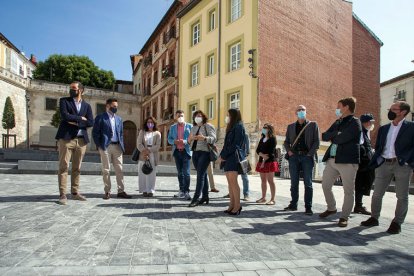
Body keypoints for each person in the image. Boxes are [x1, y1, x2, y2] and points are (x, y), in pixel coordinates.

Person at [361, 101, 414, 234]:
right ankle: (374, 218)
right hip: (384, 163)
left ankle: (397, 223)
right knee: (377, 193)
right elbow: (379, 147)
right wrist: (377, 161)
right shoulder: (384, 128)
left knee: (402, 196)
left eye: (393, 109)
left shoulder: (411, 127)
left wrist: (408, 161)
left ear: (403, 112)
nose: (390, 110)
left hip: (401, 165)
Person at [319, 97, 362, 227]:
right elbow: (325, 136)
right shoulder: (338, 121)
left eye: (339, 107)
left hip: (347, 161)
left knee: (348, 191)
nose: (337, 109)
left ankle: (344, 217)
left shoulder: (355, 122)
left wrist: (335, 135)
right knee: (325, 185)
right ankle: (331, 208)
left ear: (346, 107)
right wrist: (336, 133)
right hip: (332, 159)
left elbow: (342, 138)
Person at [55, 81, 94, 205]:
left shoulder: (87, 106)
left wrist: (75, 121)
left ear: (81, 90)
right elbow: (65, 116)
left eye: (74, 88)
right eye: (70, 88)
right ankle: (62, 194)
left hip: (81, 140)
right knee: (63, 167)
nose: (71, 90)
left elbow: (91, 122)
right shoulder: (64, 101)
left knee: (77, 168)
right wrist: (80, 119)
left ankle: (75, 192)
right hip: (67, 139)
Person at [283, 105, 320, 215]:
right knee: (294, 182)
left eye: (303, 110)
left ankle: (308, 207)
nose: (301, 111)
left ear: (306, 112)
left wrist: (310, 154)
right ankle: (293, 204)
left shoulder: (313, 125)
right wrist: (289, 151)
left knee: (308, 183)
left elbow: (316, 142)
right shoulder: (290, 127)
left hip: (306, 157)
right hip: (294, 157)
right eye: (299, 110)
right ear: (296, 113)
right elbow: (286, 142)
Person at [92, 98, 132, 200]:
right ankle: (107, 191)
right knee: (106, 170)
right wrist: (99, 145)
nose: (115, 108)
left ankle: (121, 191)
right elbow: (95, 133)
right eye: (113, 106)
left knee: (120, 169)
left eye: (116, 107)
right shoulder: (100, 117)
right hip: (105, 146)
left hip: (117, 146)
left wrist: (121, 144)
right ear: (107, 106)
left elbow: (121, 133)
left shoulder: (119, 119)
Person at [218, 108, 246, 215]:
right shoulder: (231, 127)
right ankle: (231, 204)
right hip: (228, 157)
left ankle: (237, 206)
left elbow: (236, 144)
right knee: (230, 183)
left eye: (228, 115)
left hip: (233, 157)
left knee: (234, 182)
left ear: (233, 116)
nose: (227, 117)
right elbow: (226, 144)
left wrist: (224, 155)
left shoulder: (239, 127)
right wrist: (222, 155)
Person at [188, 110, 216, 207]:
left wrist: (204, 138)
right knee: (203, 175)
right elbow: (189, 141)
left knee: (200, 175)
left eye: (199, 116)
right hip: (195, 152)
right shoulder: (193, 127)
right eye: (196, 116)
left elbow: (213, 138)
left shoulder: (208, 126)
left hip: (205, 153)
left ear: (203, 117)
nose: (197, 117)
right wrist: (190, 139)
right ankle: (205, 196)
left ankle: (196, 198)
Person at [168, 110, 193, 200]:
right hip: (177, 152)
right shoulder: (172, 127)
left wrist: (185, 141)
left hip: (186, 152)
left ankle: (186, 191)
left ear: (184, 116)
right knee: (180, 173)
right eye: (178, 116)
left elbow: (192, 139)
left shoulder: (190, 126)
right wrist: (174, 141)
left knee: (186, 173)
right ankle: (181, 190)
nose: (180, 117)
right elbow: (169, 139)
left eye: (181, 115)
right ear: (175, 117)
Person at [354, 113, 376, 215]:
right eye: (370, 122)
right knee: (360, 185)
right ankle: (358, 206)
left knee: (364, 185)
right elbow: (358, 148)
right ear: (365, 122)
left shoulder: (366, 132)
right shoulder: (359, 132)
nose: (372, 124)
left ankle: (358, 205)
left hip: (367, 165)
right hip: (362, 165)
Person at [137, 117, 161, 197]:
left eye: (151, 122)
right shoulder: (142, 132)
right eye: (148, 122)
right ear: (146, 123)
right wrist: (144, 151)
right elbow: (139, 144)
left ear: (154, 124)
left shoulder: (157, 133)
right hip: (143, 153)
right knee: (143, 172)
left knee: (152, 172)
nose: (150, 124)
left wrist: (149, 150)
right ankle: (144, 190)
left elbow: (158, 146)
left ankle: (150, 190)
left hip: (153, 154)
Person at [255, 123, 278, 205]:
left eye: (265, 128)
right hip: (262, 161)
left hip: (270, 161)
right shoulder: (262, 138)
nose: (263, 129)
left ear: (270, 129)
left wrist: (264, 158)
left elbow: (271, 152)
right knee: (263, 180)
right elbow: (257, 150)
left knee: (270, 180)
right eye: (263, 127)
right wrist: (262, 155)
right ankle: (263, 197)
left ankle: (272, 199)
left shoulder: (273, 139)